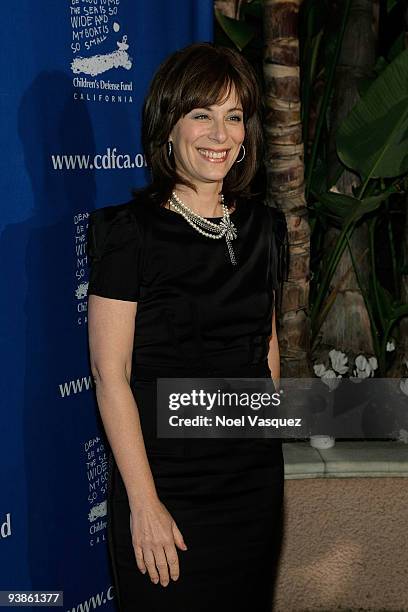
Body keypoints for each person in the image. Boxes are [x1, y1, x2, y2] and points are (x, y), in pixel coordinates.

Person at [87, 42, 288, 612]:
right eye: (201, 114)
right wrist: (144, 504)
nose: (219, 134)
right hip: (165, 484)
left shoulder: (266, 228)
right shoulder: (130, 233)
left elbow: (266, 344)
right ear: (168, 126)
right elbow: (110, 376)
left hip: (251, 488)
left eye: (233, 116)